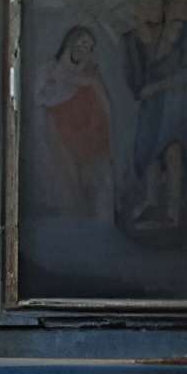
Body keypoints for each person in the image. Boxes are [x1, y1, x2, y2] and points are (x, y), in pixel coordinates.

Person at [121, 0, 187, 230]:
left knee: (174, 150)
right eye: (143, 5)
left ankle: (173, 213)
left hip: (180, 105)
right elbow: (136, 84)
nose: (149, 9)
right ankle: (152, 204)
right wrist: (144, 40)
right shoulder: (132, 40)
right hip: (152, 109)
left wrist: (160, 87)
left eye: (154, 4)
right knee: (150, 152)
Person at [33, 25, 115, 227]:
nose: (83, 48)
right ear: (69, 42)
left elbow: (105, 106)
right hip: (61, 130)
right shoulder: (50, 69)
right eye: (81, 42)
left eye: (89, 46)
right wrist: (73, 83)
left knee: (94, 178)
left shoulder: (92, 74)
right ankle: (74, 220)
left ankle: (95, 224)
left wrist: (90, 84)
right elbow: (40, 97)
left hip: (89, 132)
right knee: (67, 178)